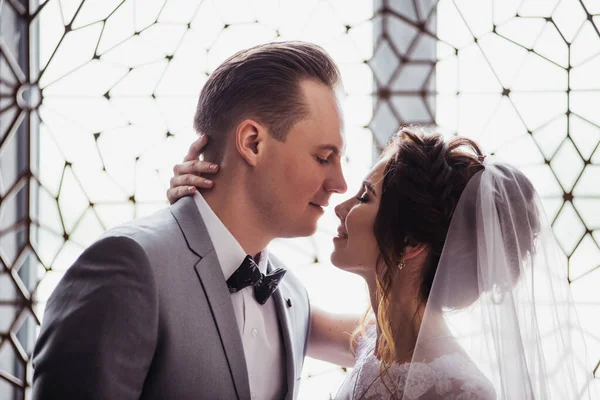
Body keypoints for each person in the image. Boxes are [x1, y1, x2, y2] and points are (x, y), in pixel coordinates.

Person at [32, 41, 360, 400]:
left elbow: (392, 340)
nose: (341, 184)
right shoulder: (129, 267)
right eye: (324, 157)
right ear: (252, 143)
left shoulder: (292, 295)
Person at [169, 127, 596, 399]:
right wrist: (210, 210)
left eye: (365, 198)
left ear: (409, 242)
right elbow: (265, 299)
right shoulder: (370, 340)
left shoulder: (463, 391)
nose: (341, 207)